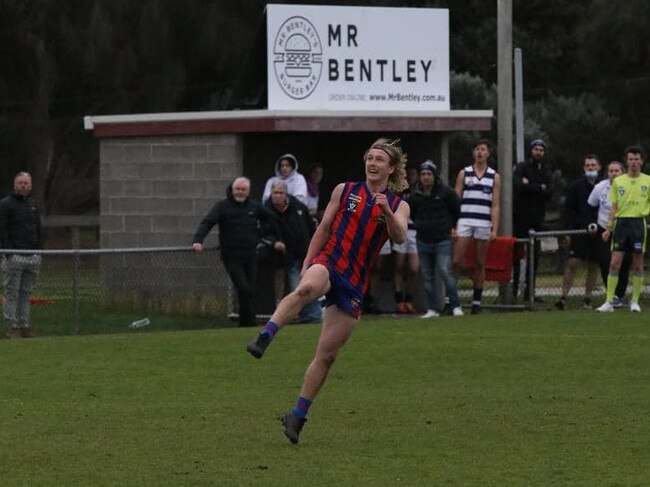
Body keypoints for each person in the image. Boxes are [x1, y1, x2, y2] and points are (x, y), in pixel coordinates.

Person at [246, 138, 410, 444]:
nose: (373, 163)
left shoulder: (398, 204)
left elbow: (399, 237)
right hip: (331, 260)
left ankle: (297, 415)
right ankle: (265, 335)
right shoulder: (345, 190)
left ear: (390, 168)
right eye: (369, 158)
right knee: (307, 286)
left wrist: (386, 210)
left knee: (328, 355)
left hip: (355, 281)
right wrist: (309, 259)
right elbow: (323, 228)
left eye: (379, 160)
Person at [192, 177, 276, 327]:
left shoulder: (254, 206)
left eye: (243, 189)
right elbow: (208, 222)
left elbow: (272, 219)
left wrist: (263, 234)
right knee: (243, 288)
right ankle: (250, 322)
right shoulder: (222, 207)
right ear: (232, 189)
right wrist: (198, 240)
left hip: (250, 254)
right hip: (231, 256)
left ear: (248, 191)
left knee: (250, 289)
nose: (240, 192)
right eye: (237, 189)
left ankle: (244, 323)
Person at [596, 146, 650, 313]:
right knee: (614, 263)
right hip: (621, 225)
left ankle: (634, 301)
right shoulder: (619, 181)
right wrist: (608, 228)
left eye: (636, 159)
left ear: (641, 161)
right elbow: (614, 207)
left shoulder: (648, 180)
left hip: (638, 224)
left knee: (638, 263)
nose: (633, 162)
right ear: (627, 162)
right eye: (630, 159)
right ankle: (609, 301)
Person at [452, 138, 501, 314]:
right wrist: (453, 225)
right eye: (477, 149)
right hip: (464, 220)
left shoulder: (494, 176)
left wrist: (494, 228)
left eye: (483, 149)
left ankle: (476, 303)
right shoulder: (464, 173)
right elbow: (455, 200)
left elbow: (495, 204)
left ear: (487, 153)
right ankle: (451, 299)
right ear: (473, 153)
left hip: (483, 222)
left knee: (480, 263)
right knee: (456, 260)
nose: (480, 152)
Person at [409, 160, 463, 318]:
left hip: (442, 239)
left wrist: (453, 227)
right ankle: (432, 308)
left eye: (429, 174)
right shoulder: (415, 195)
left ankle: (455, 305)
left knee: (445, 270)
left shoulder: (445, 192)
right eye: (423, 174)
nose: (426, 177)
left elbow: (457, 208)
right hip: (423, 239)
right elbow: (411, 212)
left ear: (434, 176)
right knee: (427, 275)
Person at [263, 179, 321, 323]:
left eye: (281, 193)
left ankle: (313, 316)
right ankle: (304, 315)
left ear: (286, 193)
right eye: (275, 193)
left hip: (305, 253)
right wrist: (274, 242)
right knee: (298, 288)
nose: (278, 196)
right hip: (287, 257)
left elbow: (312, 224)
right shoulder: (266, 211)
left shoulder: (298, 207)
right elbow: (263, 232)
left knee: (311, 285)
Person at [554, 155, 602, 310]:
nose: (590, 168)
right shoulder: (575, 187)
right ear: (583, 168)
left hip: (597, 231)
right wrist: (571, 230)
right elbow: (569, 209)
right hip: (579, 230)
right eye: (587, 165)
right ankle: (563, 297)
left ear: (598, 167)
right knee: (573, 263)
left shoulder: (603, 186)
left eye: (593, 165)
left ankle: (587, 298)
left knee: (594, 264)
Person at [0, 172, 43, 339]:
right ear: (15, 185)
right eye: (20, 183)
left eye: (26, 183)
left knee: (26, 292)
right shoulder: (5, 205)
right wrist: (9, 252)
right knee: (12, 292)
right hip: (14, 255)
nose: (23, 186)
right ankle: (12, 326)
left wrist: (39, 250)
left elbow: (38, 228)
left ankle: (24, 324)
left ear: (30, 185)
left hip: (32, 256)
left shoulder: (33, 205)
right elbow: (2, 229)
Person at [512, 139, 554, 302]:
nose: (538, 152)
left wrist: (530, 185)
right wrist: (539, 187)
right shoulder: (522, 167)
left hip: (537, 218)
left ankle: (530, 292)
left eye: (541, 150)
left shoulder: (546, 170)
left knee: (534, 255)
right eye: (536, 149)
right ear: (531, 150)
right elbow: (517, 185)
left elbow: (549, 192)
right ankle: (514, 289)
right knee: (517, 254)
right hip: (520, 217)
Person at [587, 160, 631, 307]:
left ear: (622, 172)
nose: (613, 174)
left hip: (624, 228)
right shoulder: (600, 188)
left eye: (617, 171)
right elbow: (591, 205)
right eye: (611, 171)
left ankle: (619, 295)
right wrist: (593, 223)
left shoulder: (629, 186)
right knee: (606, 261)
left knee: (624, 263)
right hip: (604, 229)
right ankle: (610, 295)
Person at [393, 165, 420, 314]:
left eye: (413, 174)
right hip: (402, 230)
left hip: (415, 232)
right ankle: (399, 301)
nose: (410, 177)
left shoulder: (419, 191)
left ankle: (409, 299)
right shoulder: (399, 191)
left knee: (414, 269)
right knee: (398, 266)